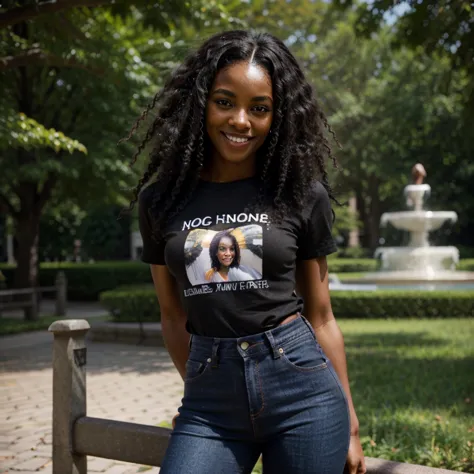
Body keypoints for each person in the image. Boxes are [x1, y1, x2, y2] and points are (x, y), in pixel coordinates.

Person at [132, 30, 366, 474]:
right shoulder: (160, 202)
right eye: (225, 102)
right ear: (200, 103)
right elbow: (171, 314)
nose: (241, 120)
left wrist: (351, 425)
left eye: (259, 109)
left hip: (303, 389)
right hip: (210, 404)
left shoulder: (300, 195)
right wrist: (202, 386)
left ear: (276, 117)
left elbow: (322, 317)